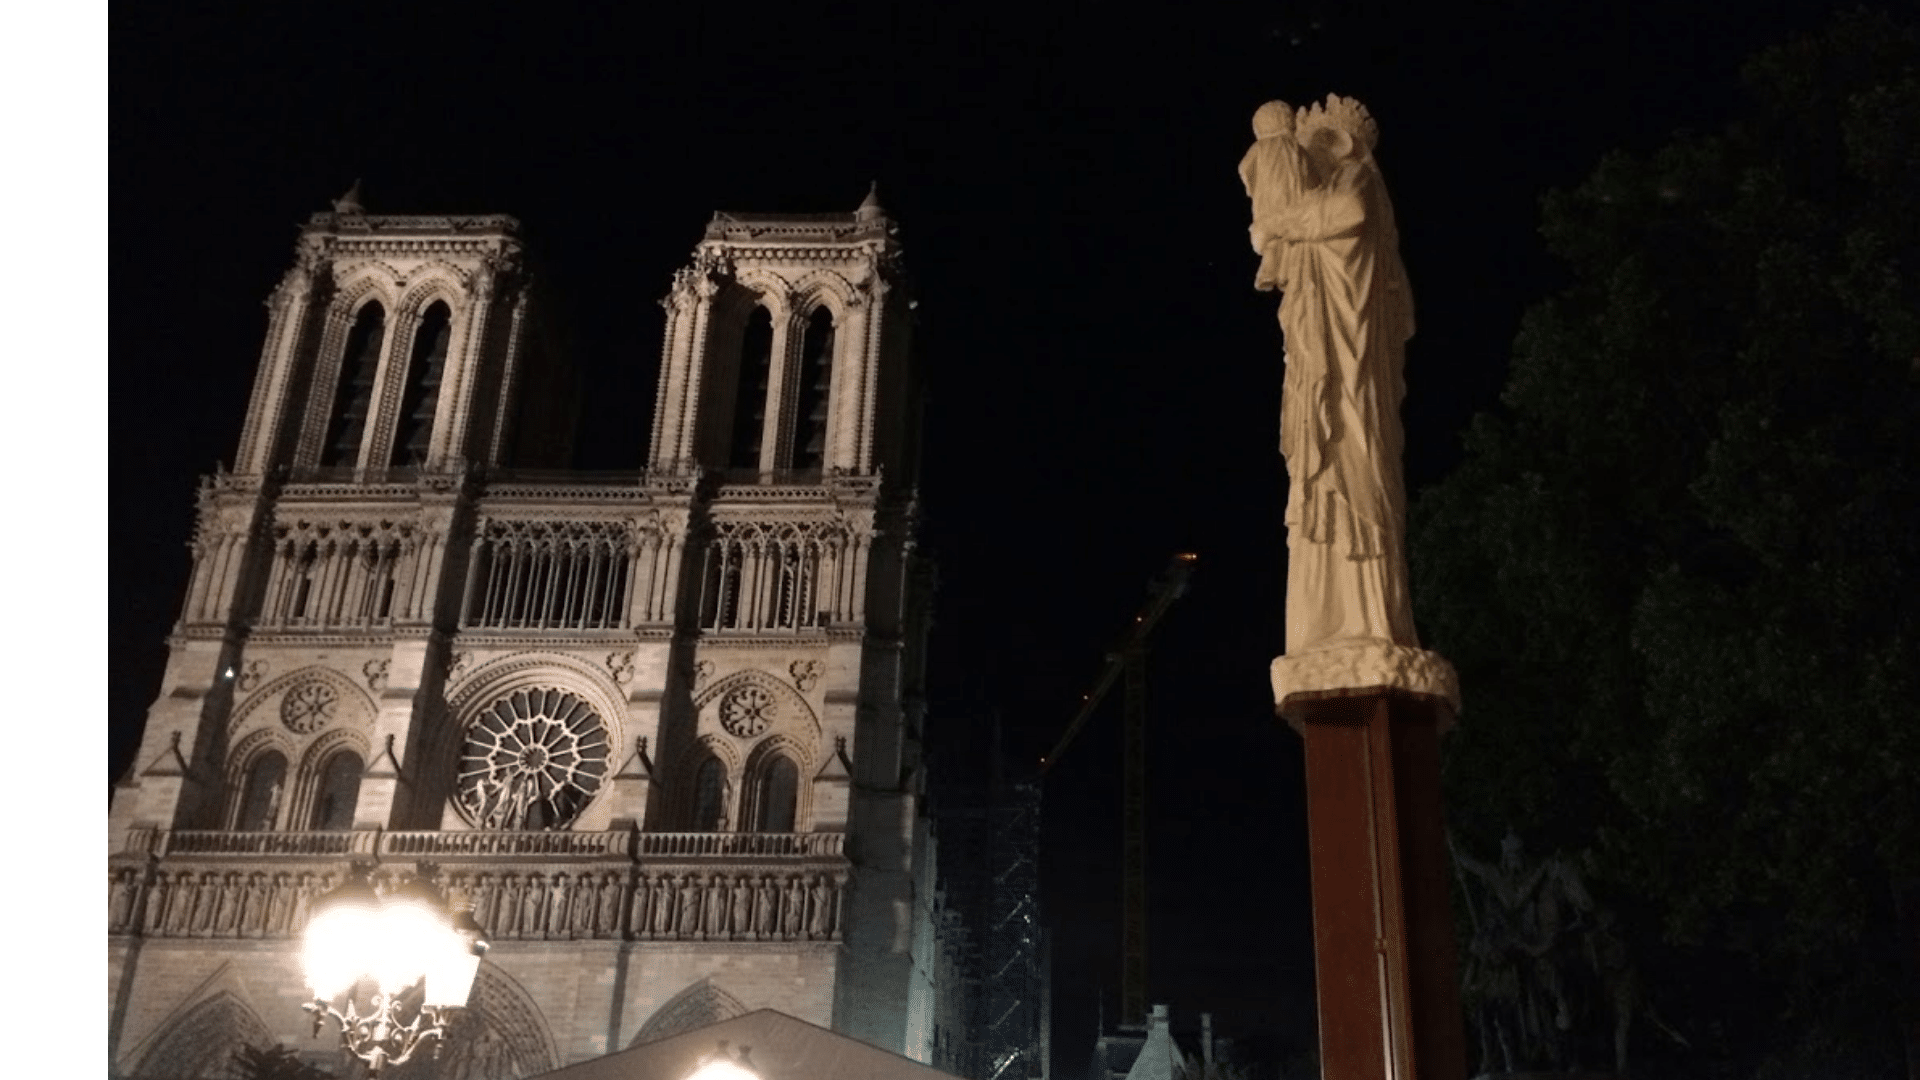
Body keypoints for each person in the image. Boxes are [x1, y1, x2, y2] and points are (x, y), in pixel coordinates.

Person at [1244, 96, 1419, 652]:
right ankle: (1325, 618)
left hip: (1353, 369)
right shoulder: (1323, 196)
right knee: (1319, 473)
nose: (1307, 160)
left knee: (1356, 462)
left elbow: (1346, 216)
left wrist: (1278, 223)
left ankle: (1368, 619)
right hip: (1320, 359)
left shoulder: (1360, 183)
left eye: (1317, 147)